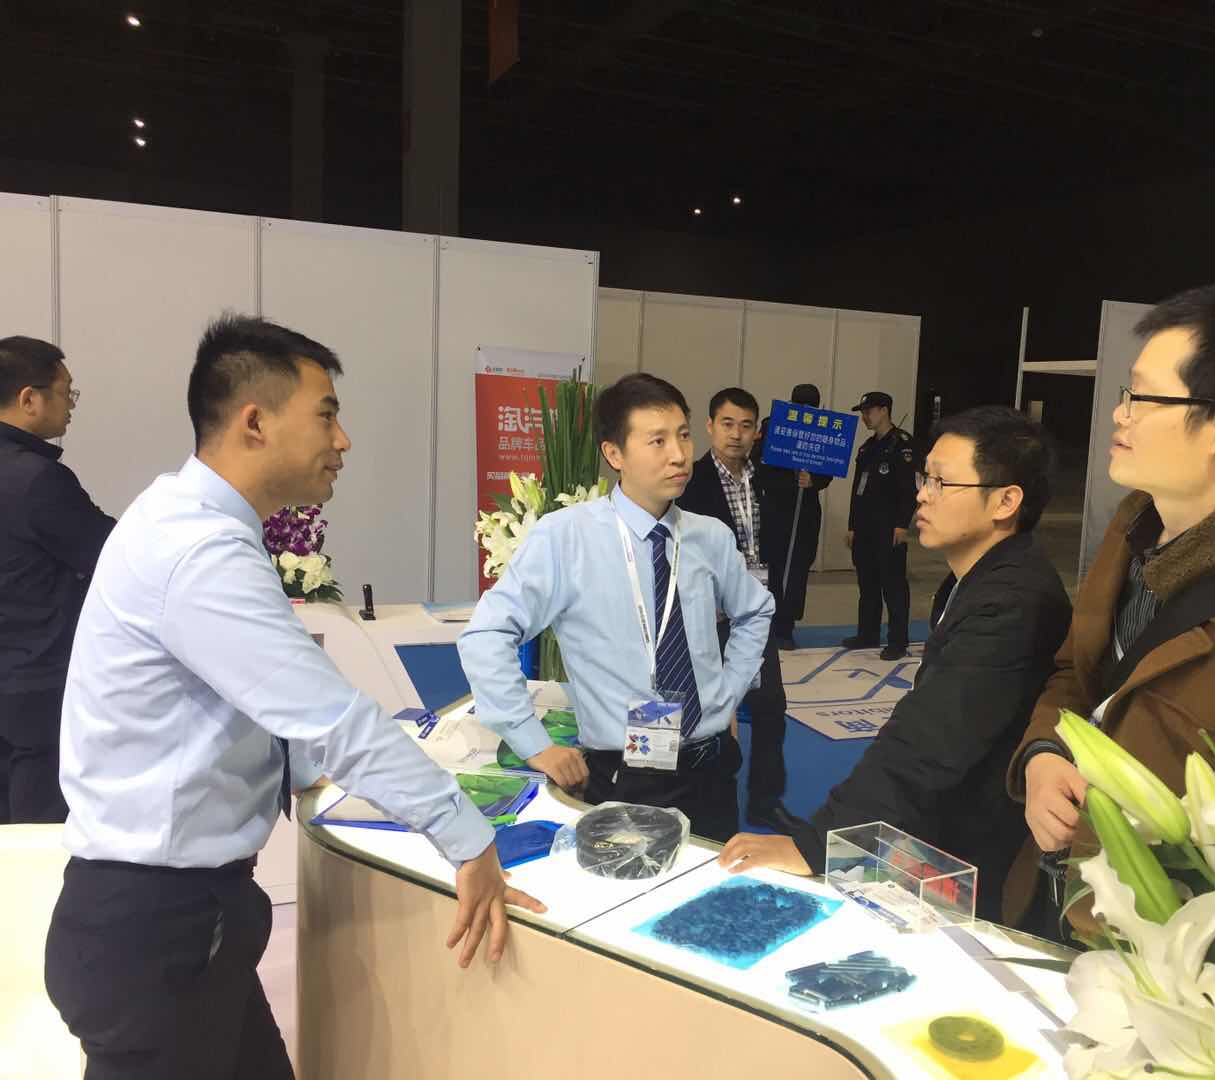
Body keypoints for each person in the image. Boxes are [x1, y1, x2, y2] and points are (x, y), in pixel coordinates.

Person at [46, 315, 541, 1080]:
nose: (342, 440)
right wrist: (469, 838)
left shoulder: (188, 520)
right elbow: (333, 716)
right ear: (255, 422)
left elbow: (248, 697)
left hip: (175, 924)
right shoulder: (199, 550)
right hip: (159, 929)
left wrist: (301, 764)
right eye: (326, 414)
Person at [1003, 283, 1215, 936]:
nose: (1119, 415)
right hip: (1060, 895)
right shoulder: (1135, 534)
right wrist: (1043, 754)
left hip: (1155, 957)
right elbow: (1077, 675)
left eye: (1142, 397)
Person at [719, 408, 1072, 923]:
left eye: (941, 482)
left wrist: (818, 844)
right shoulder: (974, 581)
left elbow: (931, 738)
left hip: (984, 862)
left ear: (1006, 501)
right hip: (952, 829)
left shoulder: (1012, 601)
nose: (922, 495)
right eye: (925, 479)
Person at [460, 372, 774, 843]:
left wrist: (729, 689)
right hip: (625, 773)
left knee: (708, 882)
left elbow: (755, 611)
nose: (678, 454)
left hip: (711, 765)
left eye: (683, 435)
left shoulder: (709, 536)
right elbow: (486, 635)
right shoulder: (567, 537)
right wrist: (532, 742)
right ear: (614, 454)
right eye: (657, 441)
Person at [0, 336, 115, 825]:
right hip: (39, 691)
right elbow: (111, 553)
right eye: (66, 392)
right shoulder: (36, 480)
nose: (71, 405)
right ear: (29, 399)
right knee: (41, 839)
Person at [676, 387, 792, 833]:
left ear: (757, 431)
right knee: (707, 712)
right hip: (709, 617)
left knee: (770, 707)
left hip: (755, 612)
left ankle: (766, 799)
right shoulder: (690, 481)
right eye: (727, 424)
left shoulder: (771, 480)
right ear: (709, 426)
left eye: (746, 426)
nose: (736, 434)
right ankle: (705, 800)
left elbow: (780, 539)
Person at [753, 382, 833, 650]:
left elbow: (829, 468)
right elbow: (757, 466)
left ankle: (786, 626)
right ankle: (767, 623)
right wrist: (787, 481)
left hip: (805, 511)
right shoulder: (773, 426)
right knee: (772, 566)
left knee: (798, 568)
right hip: (776, 508)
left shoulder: (823, 430)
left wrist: (814, 481)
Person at [845, 390, 917, 661]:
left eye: (869, 411)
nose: (865, 416)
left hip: (889, 526)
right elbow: (858, 490)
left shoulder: (902, 445)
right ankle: (868, 633)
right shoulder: (867, 448)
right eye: (863, 412)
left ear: (884, 410)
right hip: (865, 527)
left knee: (893, 585)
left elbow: (909, 489)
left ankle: (897, 640)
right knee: (868, 583)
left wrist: (902, 524)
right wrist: (852, 525)